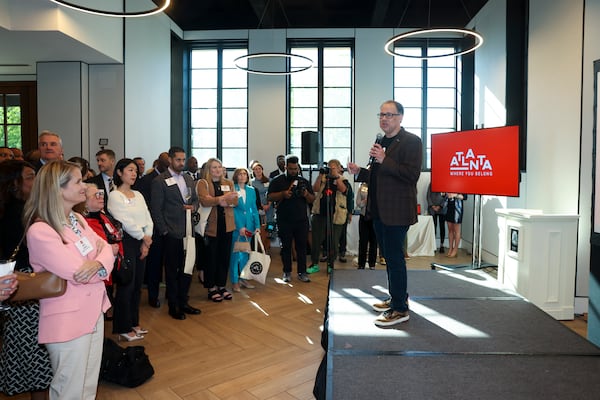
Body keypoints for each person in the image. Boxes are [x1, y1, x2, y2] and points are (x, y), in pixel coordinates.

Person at [23, 160, 114, 399]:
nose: (84, 185)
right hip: (68, 319)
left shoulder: (77, 219)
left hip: (94, 310)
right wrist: (101, 262)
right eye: (78, 181)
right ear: (58, 189)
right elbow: (75, 272)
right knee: (69, 389)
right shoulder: (41, 231)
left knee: (87, 386)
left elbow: (106, 248)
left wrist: (98, 262)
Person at [347, 100, 422, 327]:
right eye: (381, 114)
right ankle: (397, 296)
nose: (384, 118)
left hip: (397, 211)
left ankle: (400, 309)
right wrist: (360, 172)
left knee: (395, 258)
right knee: (388, 257)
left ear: (400, 117)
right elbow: (377, 175)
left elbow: (411, 175)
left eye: (389, 115)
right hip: (378, 210)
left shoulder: (412, 142)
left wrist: (384, 160)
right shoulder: (380, 141)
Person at [0, 160, 52, 399]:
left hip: (16, 288)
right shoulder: (20, 214)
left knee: (27, 351)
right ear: (14, 184)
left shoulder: (19, 210)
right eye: (30, 176)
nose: (36, 181)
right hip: (24, 287)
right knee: (35, 354)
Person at [150, 147, 201, 320]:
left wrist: (193, 207)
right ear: (170, 160)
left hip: (188, 231)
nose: (181, 162)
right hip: (171, 233)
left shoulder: (188, 178)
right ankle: (173, 305)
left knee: (187, 269)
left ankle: (184, 301)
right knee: (172, 270)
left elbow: (195, 200)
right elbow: (156, 210)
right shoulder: (159, 181)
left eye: (183, 159)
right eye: (178, 159)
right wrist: (164, 231)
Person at [108, 158, 154, 341]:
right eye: (129, 170)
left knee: (137, 287)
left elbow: (148, 218)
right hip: (126, 242)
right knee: (126, 285)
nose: (134, 173)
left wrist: (147, 239)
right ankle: (122, 328)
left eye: (135, 170)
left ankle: (134, 323)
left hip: (143, 241)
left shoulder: (139, 194)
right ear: (119, 172)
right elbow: (125, 221)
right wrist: (143, 237)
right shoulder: (115, 196)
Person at [75, 183, 120, 322]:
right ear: (85, 202)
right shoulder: (82, 222)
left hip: (109, 269)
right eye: (96, 195)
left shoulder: (102, 216)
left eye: (101, 194)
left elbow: (114, 236)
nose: (101, 198)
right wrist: (109, 250)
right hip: (94, 274)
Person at [268, 155, 315, 283]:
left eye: (296, 169)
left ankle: (302, 272)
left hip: (301, 220)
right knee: (286, 247)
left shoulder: (303, 181)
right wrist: (282, 194)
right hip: (284, 220)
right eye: (291, 168)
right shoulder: (277, 181)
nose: (294, 171)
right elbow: (270, 197)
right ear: (285, 167)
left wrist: (306, 194)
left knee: (302, 247)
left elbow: (312, 199)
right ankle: (287, 272)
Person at [197, 158, 238, 301]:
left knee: (224, 257)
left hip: (227, 226)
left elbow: (235, 201)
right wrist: (223, 199)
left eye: (219, 167)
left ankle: (221, 285)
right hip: (210, 227)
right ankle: (211, 287)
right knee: (211, 258)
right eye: (214, 167)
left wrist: (217, 199)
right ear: (209, 169)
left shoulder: (228, 183)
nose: (217, 170)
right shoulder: (203, 183)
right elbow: (204, 200)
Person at [136, 151, 169, 308]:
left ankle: (170, 292)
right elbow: (146, 207)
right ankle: (153, 296)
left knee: (169, 263)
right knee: (155, 264)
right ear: (159, 163)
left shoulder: (171, 179)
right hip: (153, 228)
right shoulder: (147, 180)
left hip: (170, 227)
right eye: (167, 162)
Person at [307, 159, 349, 275]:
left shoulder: (343, 179)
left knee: (333, 242)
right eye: (329, 167)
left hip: (336, 215)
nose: (330, 170)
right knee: (316, 241)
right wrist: (320, 175)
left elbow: (343, 189)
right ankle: (314, 264)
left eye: (333, 167)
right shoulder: (324, 178)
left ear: (339, 168)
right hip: (320, 213)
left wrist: (336, 176)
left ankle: (331, 264)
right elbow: (315, 189)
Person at [230, 167, 260, 292]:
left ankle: (244, 278)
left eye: (244, 174)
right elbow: (232, 210)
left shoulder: (251, 190)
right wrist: (239, 226)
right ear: (236, 176)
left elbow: (254, 209)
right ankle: (234, 281)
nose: (242, 176)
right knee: (235, 255)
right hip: (237, 226)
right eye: (240, 174)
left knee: (245, 254)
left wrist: (257, 226)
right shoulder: (232, 190)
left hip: (249, 225)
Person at [355, 182, 378, 270]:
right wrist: (365, 201)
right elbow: (358, 203)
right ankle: (361, 264)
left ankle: (372, 264)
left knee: (374, 241)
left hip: (374, 217)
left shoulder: (378, 186)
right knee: (363, 242)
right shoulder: (362, 187)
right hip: (364, 217)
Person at [444, 193, 467, 258]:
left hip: (457, 208)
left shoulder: (462, 185)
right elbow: (443, 195)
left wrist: (455, 195)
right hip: (449, 207)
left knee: (456, 230)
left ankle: (455, 249)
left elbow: (464, 197)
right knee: (450, 229)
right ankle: (450, 248)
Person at [427, 183, 447, 253]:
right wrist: (432, 206)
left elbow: (446, 197)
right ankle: (433, 245)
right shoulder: (431, 183)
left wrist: (440, 206)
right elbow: (428, 196)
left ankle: (442, 245)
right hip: (432, 209)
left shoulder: (444, 183)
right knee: (433, 227)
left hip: (442, 209)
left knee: (442, 227)